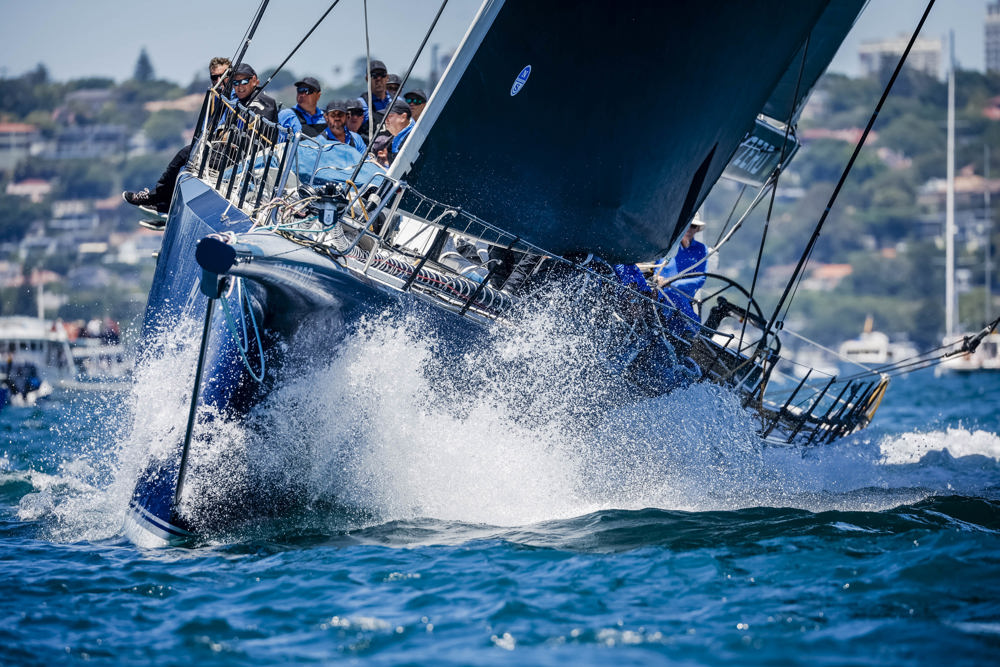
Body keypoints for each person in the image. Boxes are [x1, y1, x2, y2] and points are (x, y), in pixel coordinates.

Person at [123, 57, 231, 215]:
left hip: (228, 153)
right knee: (187, 158)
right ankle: (166, 204)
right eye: (214, 77)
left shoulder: (236, 96)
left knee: (185, 154)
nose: (219, 80)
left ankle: (154, 197)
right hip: (213, 148)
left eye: (224, 75)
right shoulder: (216, 97)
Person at [654, 216, 708, 320]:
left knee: (691, 324)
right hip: (662, 300)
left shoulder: (701, 249)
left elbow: (701, 279)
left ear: (697, 229)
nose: (689, 228)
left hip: (685, 303)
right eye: (687, 224)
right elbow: (656, 272)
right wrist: (659, 279)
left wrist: (672, 283)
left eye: (693, 226)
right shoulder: (667, 245)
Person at [358, 59, 392, 137]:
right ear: (367, 79)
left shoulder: (396, 101)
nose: (378, 79)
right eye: (374, 75)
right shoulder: (361, 104)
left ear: (387, 77)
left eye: (382, 75)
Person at [384, 99, 415, 165]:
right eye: (385, 116)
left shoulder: (412, 138)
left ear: (403, 117)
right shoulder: (396, 137)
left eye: (389, 116)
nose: (385, 120)